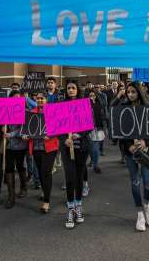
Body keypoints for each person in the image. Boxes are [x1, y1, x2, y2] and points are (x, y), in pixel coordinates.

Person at [112, 81, 149, 232]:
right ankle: (139, 213)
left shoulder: (148, 107)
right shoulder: (123, 108)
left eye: (133, 92)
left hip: (146, 151)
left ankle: (147, 205)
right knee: (135, 183)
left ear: (139, 92)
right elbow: (119, 130)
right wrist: (128, 146)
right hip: (130, 152)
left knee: (148, 184)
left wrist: (146, 141)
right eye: (128, 92)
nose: (130, 94)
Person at [60, 81, 92, 229]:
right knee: (70, 178)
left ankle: (78, 206)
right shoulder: (61, 106)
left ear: (77, 89)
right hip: (67, 149)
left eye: (73, 87)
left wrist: (78, 134)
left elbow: (88, 125)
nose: (71, 90)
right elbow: (57, 127)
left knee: (79, 177)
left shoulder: (84, 104)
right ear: (66, 91)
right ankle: (70, 208)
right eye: (69, 88)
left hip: (82, 148)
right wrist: (64, 139)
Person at [26, 92, 59, 214]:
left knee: (46, 172)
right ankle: (45, 190)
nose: (40, 100)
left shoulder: (52, 111)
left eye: (42, 98)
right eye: (38, 98)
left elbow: (59, 128)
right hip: (35, 148)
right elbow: (27, 129)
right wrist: (25, 135)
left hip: (49, 147)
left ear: (46, 100)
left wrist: (51, 135)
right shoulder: (30, 113)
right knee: (40, 172)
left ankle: (46, 202)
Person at [3, 90, 29, 209]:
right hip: (8, 145)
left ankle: (23, 187)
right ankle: (11, 195)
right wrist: (1, 128)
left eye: (19, 98)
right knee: (9, 168)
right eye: (14, 98)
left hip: (20, 145)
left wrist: (11, 134)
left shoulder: (24, 112)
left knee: (20, 166)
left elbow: (24, 129)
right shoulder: (5, 110)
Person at [88, 89, 107, 174]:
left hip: (98, 128)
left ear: (96, 96)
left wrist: (104, 127)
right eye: (90, 96)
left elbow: (104, 116)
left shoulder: (100, 104)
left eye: (93, 95)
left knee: (95, 148)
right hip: (89, 130)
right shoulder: (85, 105)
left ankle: (96, 165)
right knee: (91, 148)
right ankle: (93, 160)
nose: (92, 97)